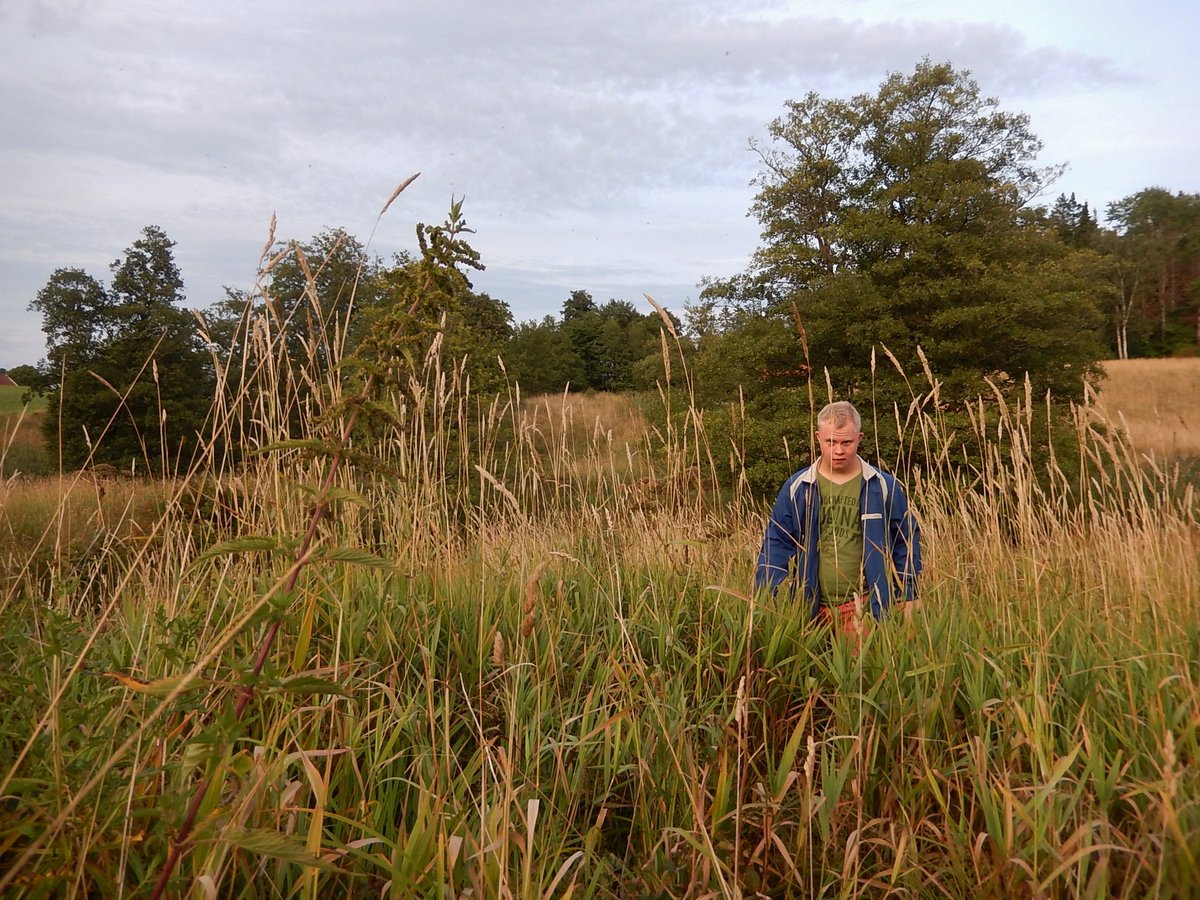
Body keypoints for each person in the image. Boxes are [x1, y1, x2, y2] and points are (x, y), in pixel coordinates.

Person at [755, 401, 921, 636]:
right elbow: (776, 542)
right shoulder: (798, 487)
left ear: (860, 438)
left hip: (862, 607)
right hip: (808, 606)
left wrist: (909, 594)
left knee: (858, 672)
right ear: (818, 437)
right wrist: (764, 593)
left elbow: (905, 540)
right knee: (807, 672)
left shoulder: (883, 487)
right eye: (830, 442)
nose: (839, 450)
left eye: (847, 442)